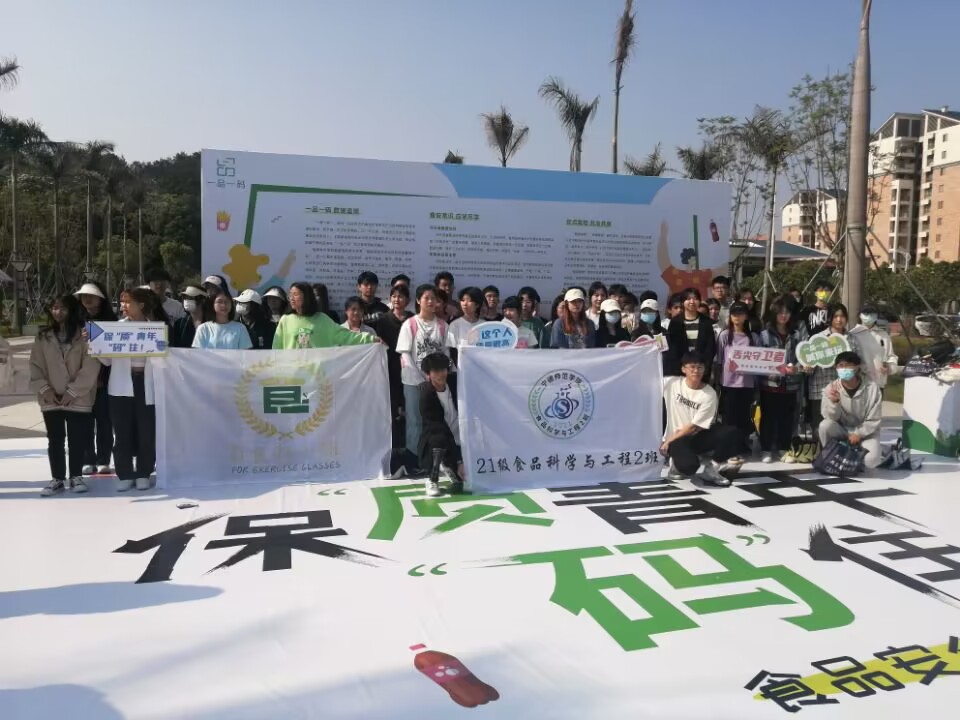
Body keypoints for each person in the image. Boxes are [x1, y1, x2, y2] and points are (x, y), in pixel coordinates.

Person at [30, 294, 100, 495]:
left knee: (77, 438)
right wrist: (45, 389)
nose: (57, 312)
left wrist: (73, 391)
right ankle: (57, 478)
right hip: (50, 397)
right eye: (54, 307)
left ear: (72, 310)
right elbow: (35, 365)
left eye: (63, 308)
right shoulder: (43, 336)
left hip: (79, 397)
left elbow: (91, 365)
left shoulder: (87, 333)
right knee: (55, 439)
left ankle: (76, 476)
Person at [104, 288, 160, 492]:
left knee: (147, 431)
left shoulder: (155, 329)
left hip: (147, 384)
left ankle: (144, 472)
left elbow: (163, 360)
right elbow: (106, 361)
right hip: (121, 385)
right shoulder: (115, 329)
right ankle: (125, 473)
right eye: (122, 302)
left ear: (141, 305)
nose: (123, 306)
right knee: (122, 431)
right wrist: (94, 343)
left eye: (128, 302)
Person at [661, 351, 742, 487]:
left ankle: (712, 469)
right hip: (676, 439)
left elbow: (694, 426)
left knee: (732, 433)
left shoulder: (709, 394)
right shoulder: (671, 383)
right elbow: (647, 380)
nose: (696, 371)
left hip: (696, 436)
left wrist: (667, 441)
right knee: (689, 467)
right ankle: (676, 464)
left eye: (700, 367)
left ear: (704, 370)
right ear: (683, 369)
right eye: (692, 367)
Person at [396, 284, 450, 466]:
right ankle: (414, 458)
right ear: (418, 301)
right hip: (414, 382)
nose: (430, 301)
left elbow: (446, 354)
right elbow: (405, 354)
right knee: (415, 420)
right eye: (426, 298)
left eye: (433, 298)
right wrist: (421, 378)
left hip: (437, 383)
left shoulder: (443, 326)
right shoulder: (409, 324)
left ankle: (437, 460)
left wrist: (443, 375)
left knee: (438, 420)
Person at [75, 281, 116, 475]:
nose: (87, 299)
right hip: (82, 381)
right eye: (84, 296)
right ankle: (87, 459)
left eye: (91, 296)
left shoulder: (112, 322)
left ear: (101, 299)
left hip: (105, 380)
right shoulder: (76, 321)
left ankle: (103, 459)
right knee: (84, 422)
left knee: (104, 422)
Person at [820, 351, 883, 470]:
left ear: (857, 367)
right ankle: (830, 455)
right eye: (840, 365)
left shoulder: (872, 388)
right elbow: (830, 418)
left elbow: (874, 419)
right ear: (836, 368)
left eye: (848, 365)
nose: (844, 369)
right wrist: (835, 403)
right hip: (842, 431)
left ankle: (876, 451)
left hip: (866, 433)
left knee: (871, 461)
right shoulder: (831, 388)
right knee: (825, 425)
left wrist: (858, 433)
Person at [759, 297, 803, 463]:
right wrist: (769, 371)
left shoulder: (796, 335)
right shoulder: (764, 335)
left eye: (787, 312)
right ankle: (766, 449)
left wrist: (796, 368)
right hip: (769, 384)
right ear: (774, 314)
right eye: (780, 312)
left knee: (787, 417)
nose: (783, 316)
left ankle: (783, 448)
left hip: (790, 384)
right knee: (768, 417)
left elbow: (801, 357)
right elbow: (758, 360)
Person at [804, 303, 860, 435]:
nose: (839, 320)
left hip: (844, 391)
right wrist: (808, 367)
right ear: (830, 318)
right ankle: (821, 449)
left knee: (841, 429)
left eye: (842, 316)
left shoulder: (852, 339)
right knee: (820, 429)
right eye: (835, 316)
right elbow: (808, 368)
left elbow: (858, 365)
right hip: (820, 390)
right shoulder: (818, 338)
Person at [716, 302, 761, 463]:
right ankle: (729, 448)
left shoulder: (753, 337)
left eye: (740, 313)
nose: (737, 317)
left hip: (747, 383)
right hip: (729, 383)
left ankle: (742, 445)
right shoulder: (724, 335)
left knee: (744, 416)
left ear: (746, 316)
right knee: (729, 417)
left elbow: (758, 359)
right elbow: (720, 359)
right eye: (734, 314)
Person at [418, 352, 466, 497]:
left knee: (463, 481)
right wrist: (459, 460)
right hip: (441, 439)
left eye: (443, 369)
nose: (441, 374)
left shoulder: (456, 382)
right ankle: (432, 479)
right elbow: (438, 427)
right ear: (428, 374)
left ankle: (448, 465)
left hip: (462, 436)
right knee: (438, 439)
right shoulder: (426, 394)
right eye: (436, 371)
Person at [273, 282, 376, 349]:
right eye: (290, 295)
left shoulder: (322, 319)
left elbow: (346, 336)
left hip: (315, 374)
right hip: (292, 373)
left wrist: (371, 339)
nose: (291, 298)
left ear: (307, 297)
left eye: (295, 294)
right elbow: (276, 348)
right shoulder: (285, 320)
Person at [374, 283, 415, 448]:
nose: (397, 299)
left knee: (409, 406)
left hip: (410, 367)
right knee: (392, 406)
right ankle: (394, 445)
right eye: (394, 296)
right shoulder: (383, 320)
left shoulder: (412, 319)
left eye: (401, 296)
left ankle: (409, 445)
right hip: (390, 367)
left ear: (408, 300)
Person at [665, 288, 717, 382]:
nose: (692, 302)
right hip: (680, 370)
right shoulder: (675, 322)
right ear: (683, 302)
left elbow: (710, 347)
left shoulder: (706, 322)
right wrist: (683, 367)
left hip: (700, 371)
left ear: (699, 301)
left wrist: (703, 367)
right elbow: (672, 348)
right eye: (688, 299)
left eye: (695, 298)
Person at [850, 303, 898, 389]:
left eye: (872, 313)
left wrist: (889, 367)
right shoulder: (853, 335)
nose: (869, 316)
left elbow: (891, 356)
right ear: (860, 315)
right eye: (866, 313)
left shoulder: (883, 335)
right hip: (858, 383)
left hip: (878, 383)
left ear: (876, 315)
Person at [446, 287, 484, 366]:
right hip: (461, 368)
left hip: (481, 367)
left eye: (469, 301)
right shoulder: (455, 324)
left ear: (477, 304)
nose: (465, 304)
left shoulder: (484, 325)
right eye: (462, 300)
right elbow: (452, 350)